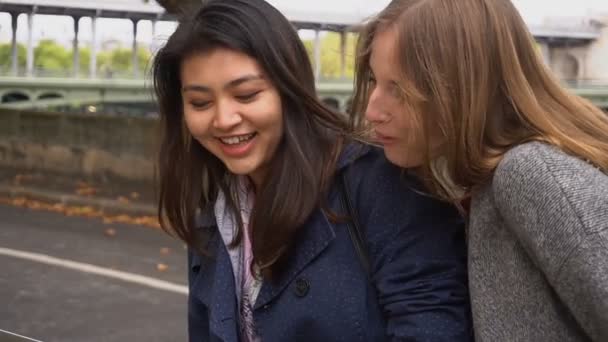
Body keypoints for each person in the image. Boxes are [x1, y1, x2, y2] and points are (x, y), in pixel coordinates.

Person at [152, 0, 472, 341]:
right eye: (200, 103)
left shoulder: (379, 183)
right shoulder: (214, 215)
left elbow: (433, 327)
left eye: (246, 95)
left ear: (290, 88)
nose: (224, 119)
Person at [351, 0, 608, 341]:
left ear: (462, 86)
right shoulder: (488, 181)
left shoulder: (531, 174)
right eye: (373, 80)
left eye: (399, 89)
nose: (372, 110)